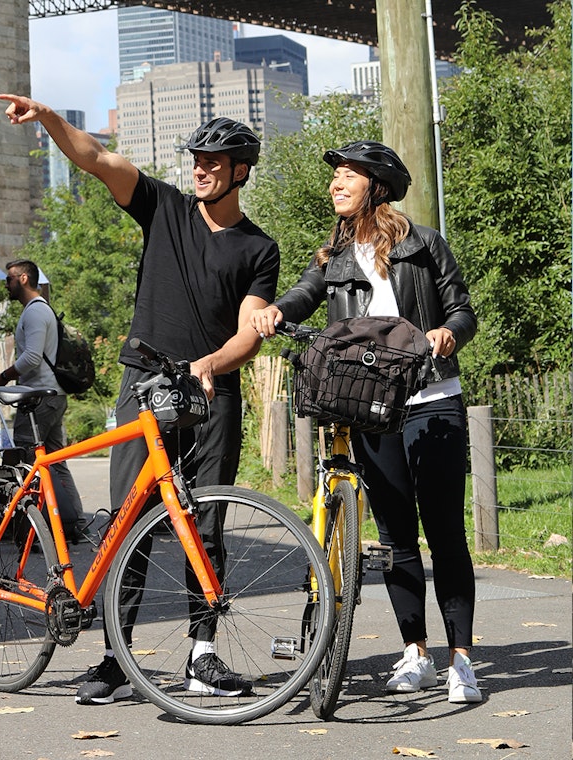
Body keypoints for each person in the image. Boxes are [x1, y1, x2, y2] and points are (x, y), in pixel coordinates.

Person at [0, 95, 279, 705]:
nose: (201, 167)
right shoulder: (164, 207)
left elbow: (248, 331)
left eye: (215, 160)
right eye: (198, 158)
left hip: (213, 393)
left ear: (241, 170)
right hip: (145, 384)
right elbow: (96, 156)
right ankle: (115, 656)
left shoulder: (259, 249)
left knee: (205, 524)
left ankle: (203, 655)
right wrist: (48, 115)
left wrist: (210, 364)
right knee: (130, 523)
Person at [248, 140, 481, 704]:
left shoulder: (424, 245)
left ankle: (462, 661)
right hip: (373, 407)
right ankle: (416, 654)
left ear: (375, 184)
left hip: (433, 399)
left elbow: (462, 309)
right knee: (397, 536)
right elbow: (307, 293)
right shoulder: (334, 257)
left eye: (347, 175)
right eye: (336, 177)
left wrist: (450, 333)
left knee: (446, 534)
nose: (335, 184)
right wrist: (277, 309)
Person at [0, 259, 88, 543]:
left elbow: (32, 357)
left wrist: (1, 379)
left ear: (22, 279)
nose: (5, 284)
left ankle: (26, 528)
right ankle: (76, 524)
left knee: (24, 464)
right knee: (57, 463)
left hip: (38, 401)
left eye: (8, 279)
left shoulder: (34, 313)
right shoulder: (42, 309)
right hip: (53, 396)